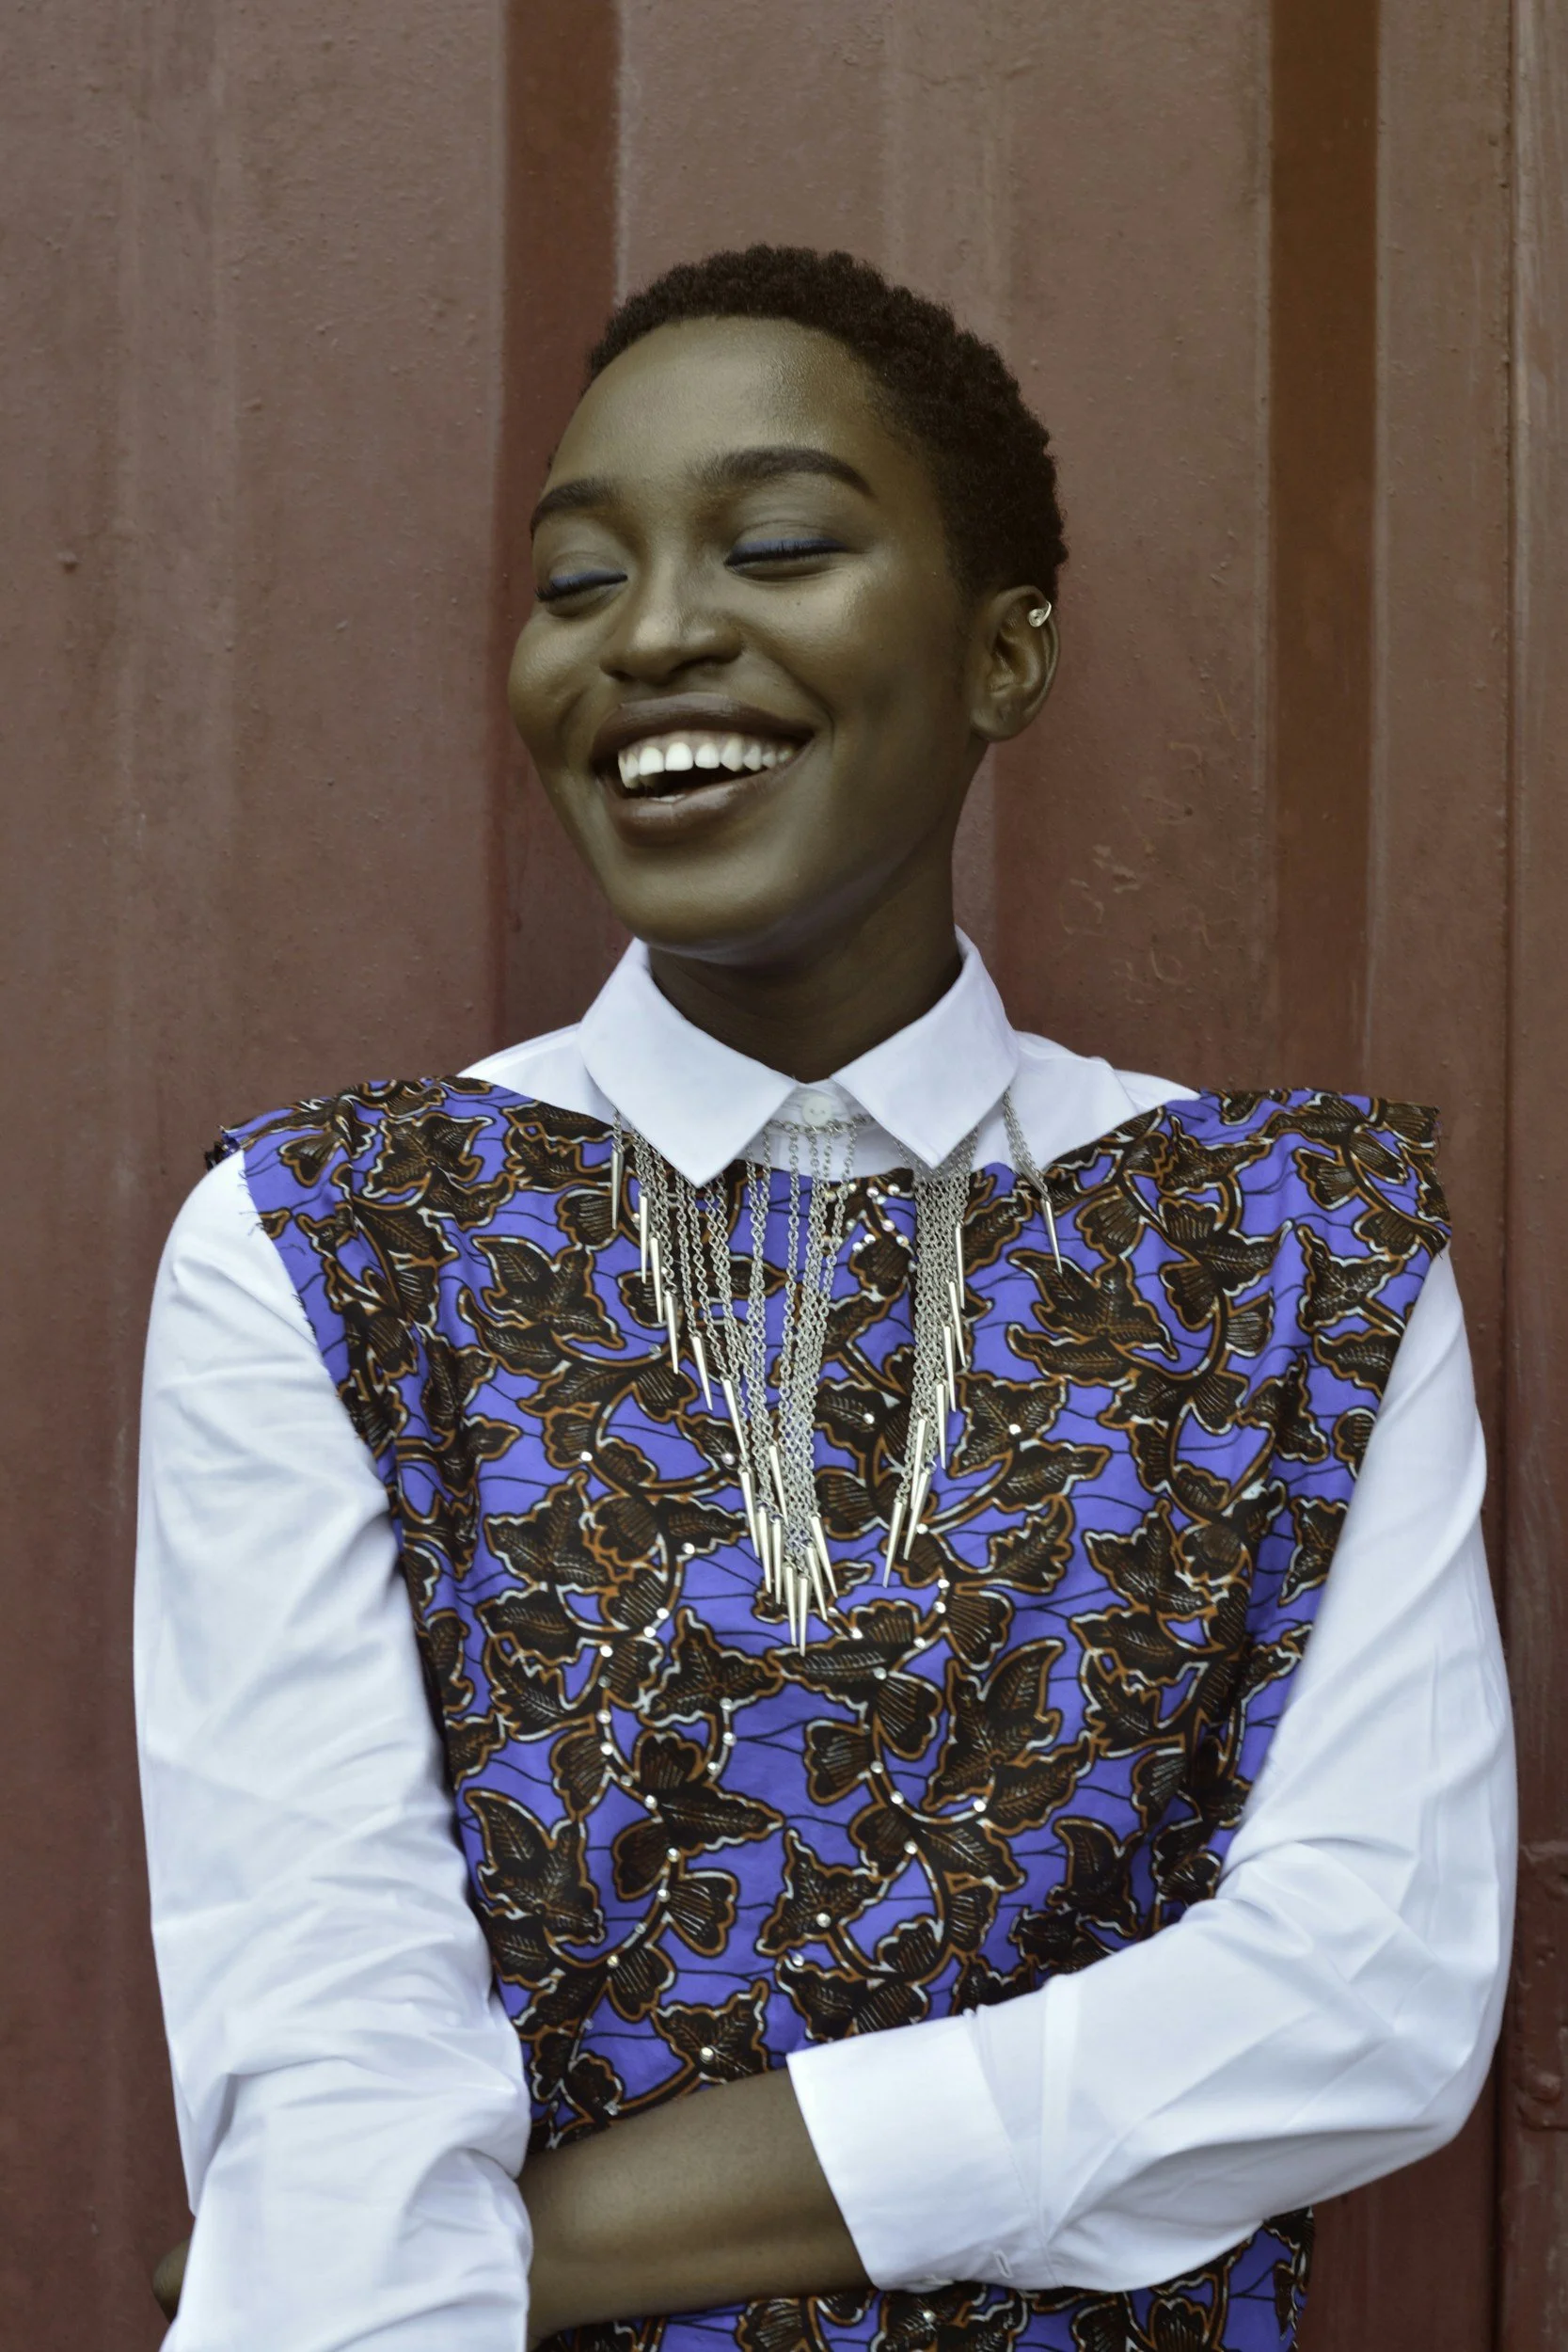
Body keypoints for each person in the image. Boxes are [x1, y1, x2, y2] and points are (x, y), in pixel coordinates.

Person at [136, 246, 1514, 2352]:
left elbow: (1366, 1992)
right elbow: (327, 2031)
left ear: (1003, 654)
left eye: (774, 546)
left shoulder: (1295, 1249)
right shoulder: (327, 1239)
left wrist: (558, 2241)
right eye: (579, 580)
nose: (652, 633)